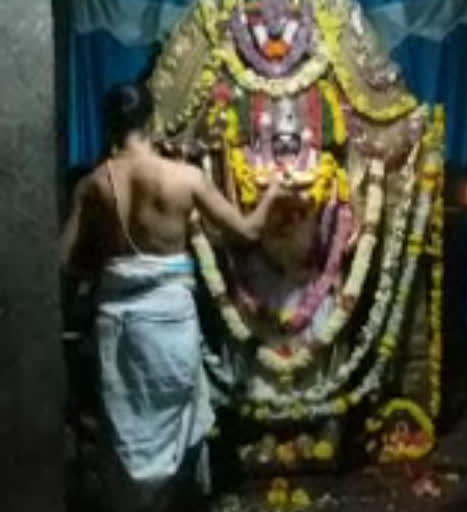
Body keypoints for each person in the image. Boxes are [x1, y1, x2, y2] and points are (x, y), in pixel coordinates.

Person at [59, 82, 287, 511]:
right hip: (170, 321)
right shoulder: (185, 178)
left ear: (110, 125)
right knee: (177, 431)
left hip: (118, 326)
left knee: (126, 428)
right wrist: (272, 194)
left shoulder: (94, 185)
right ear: (152, 121)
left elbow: (67, 261)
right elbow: (247, 233)